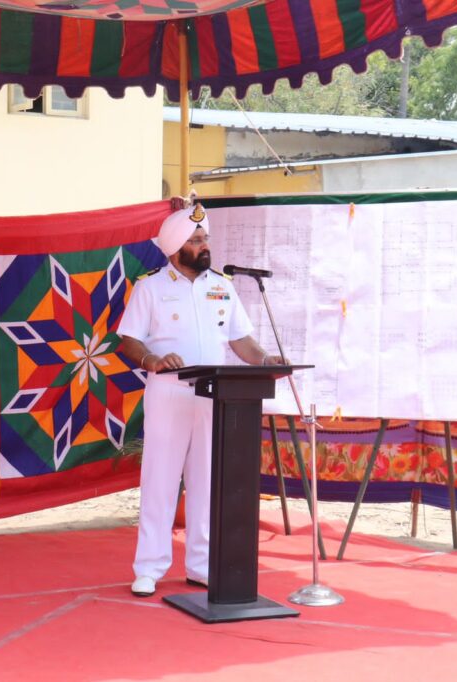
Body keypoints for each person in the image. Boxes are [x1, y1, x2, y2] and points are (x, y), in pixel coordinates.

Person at [116, 202, 283, 597]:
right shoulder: (151, 287)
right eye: (195, 240)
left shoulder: (221, 287)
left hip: (215, 396)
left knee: (207, 482)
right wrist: (153, 359)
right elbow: (128, 339)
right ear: (176, 248)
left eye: (205, 238)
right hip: (170, 394)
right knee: (160, 480)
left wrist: (265, 360)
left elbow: (239, 339)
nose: (204, 245)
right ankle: (149, 567)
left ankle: (201, 564)